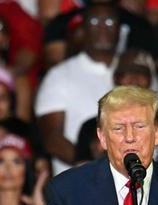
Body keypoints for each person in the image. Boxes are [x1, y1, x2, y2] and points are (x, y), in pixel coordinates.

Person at [35, 3, 119, 175]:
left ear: (120, 30)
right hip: (78, 185)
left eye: (109, 21)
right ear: (83, 29)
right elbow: (52, 138)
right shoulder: (59, 75)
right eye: (95, 21)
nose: (102, 27)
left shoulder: (136, 71)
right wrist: (98, 170)